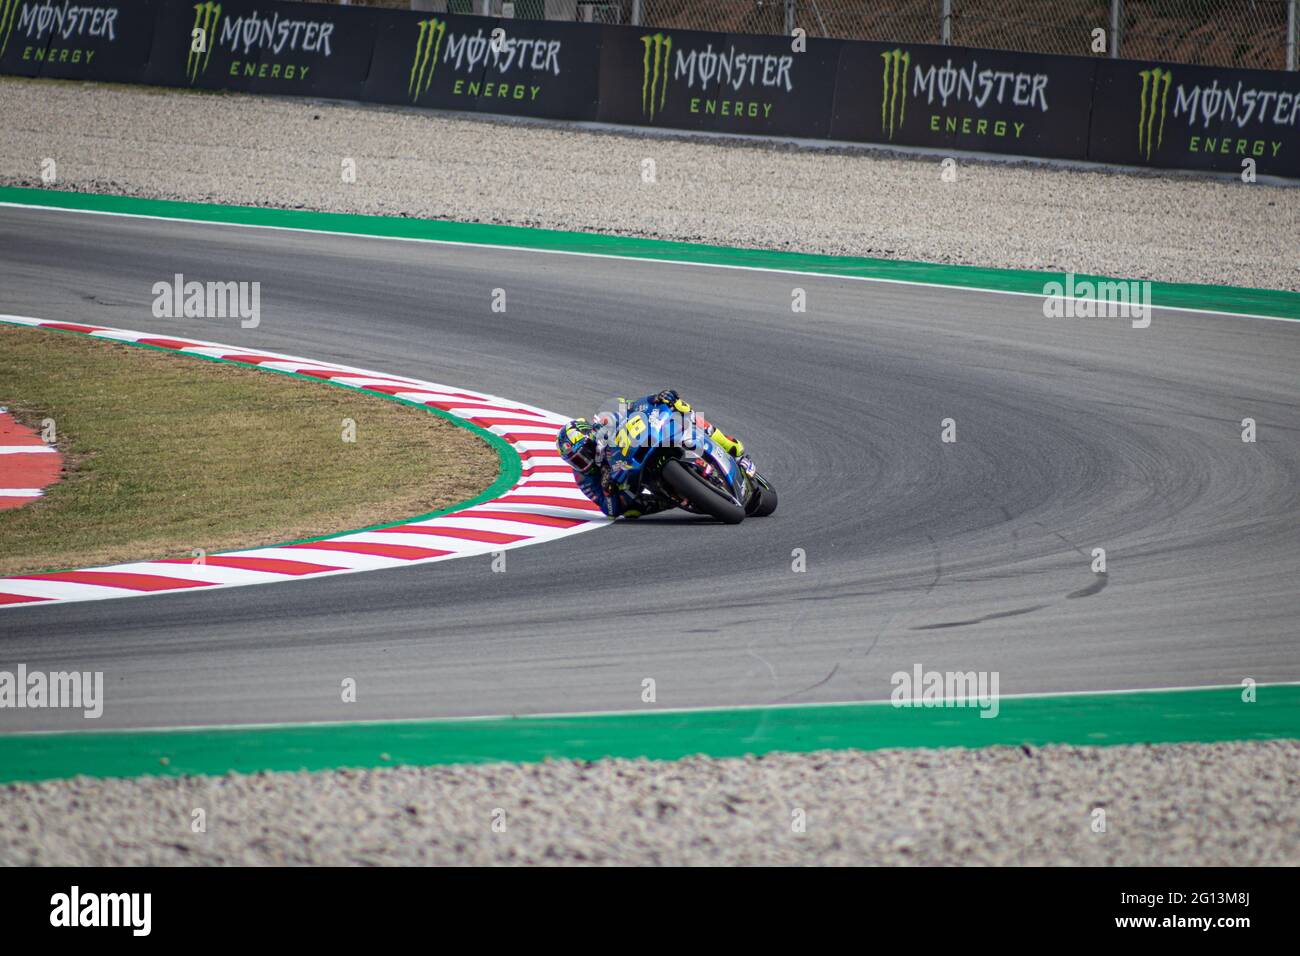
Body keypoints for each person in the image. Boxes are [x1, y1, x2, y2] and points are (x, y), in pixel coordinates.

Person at [556, 389, 745, 518]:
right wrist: (608, 490)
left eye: (583, 454)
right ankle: (671, 500)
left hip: (645, 442)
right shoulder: (584, 479)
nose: (583, 461)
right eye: (576, 461)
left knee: (681, 408)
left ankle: (728, 444)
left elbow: (632, 406)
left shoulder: (604, 422)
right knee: (630, 512)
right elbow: (609, 510)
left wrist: (656, 398)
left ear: (590, 436)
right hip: (633, 478)